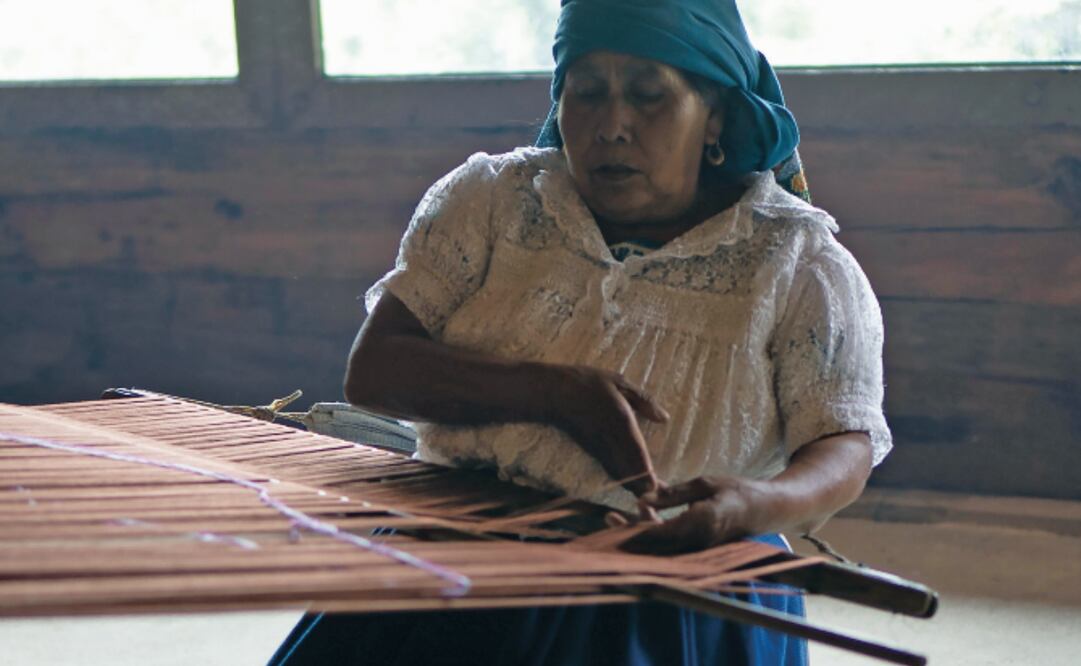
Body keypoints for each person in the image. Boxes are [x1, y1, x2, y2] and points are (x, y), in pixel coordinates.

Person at [270, 0, 891, 663]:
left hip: (673, 588)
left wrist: (758, 505)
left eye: (648, 96)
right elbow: (376, 373)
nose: (611, 126)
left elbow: (841, 444)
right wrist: (551, 394)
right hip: (455, 547)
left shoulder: (797, 264)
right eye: (586, 91)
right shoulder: (490, 203)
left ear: (714, 116)